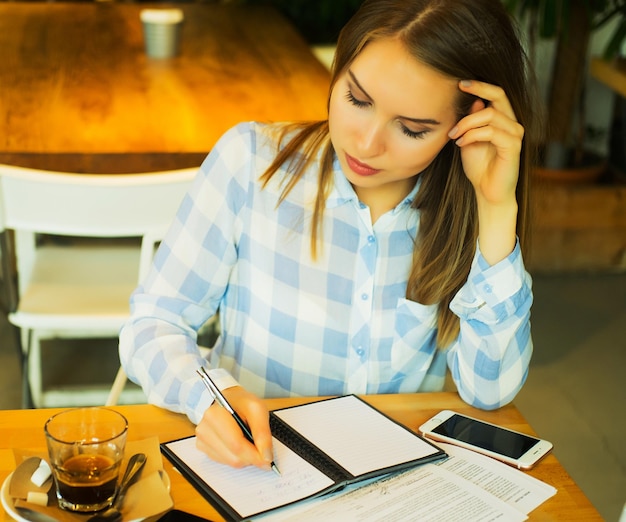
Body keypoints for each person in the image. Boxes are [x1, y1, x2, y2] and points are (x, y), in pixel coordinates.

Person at [119, 0, 540, 473]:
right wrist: (209, 396)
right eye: (357, 100)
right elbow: (154, 322)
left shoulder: (462, 213)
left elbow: (491, 392)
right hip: (256, 470)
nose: (366, 143)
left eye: (413, 129)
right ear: (337, 70)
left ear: (467, 126)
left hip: (387, 485)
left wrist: (497, 208)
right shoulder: (251, 163)